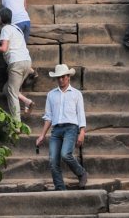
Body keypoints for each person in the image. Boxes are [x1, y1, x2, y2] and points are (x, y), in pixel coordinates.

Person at [34, 63, 89, 191]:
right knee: (53, 161)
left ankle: (81, 173)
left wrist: (82, 132)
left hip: (71, 128)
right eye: (58, 77)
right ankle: (60, 188)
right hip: (56, 130)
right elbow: (48, 116)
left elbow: (81, 114)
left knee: (65, 154)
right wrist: (42, 135)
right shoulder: (51, 95)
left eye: (63, 77)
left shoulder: (76, 94)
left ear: (68, 77)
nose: (60, 79)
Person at [0, 7, 35, 123]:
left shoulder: (6, 29)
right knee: (6, 89)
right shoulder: (17, 29)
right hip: (27, 62)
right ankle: (27, 101)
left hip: (16, 63)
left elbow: (4, 48)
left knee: (12, 93)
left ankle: (16, 124)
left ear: (1, 18)